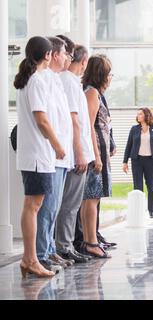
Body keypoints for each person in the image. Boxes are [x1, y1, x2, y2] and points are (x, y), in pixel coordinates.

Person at [14, 36, 62, 278]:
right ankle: (30, 259)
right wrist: (58, 146)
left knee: (33, 205)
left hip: (34, 154)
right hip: (37, 155)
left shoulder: (30, 80)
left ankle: (29, 258)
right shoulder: (36, 81)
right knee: (33, 206)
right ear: (47, 55)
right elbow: (41, 119)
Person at [36, 36, 75, 271]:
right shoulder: (43, 80)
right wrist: (58, 146)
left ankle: (49, 250)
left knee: (55, 206)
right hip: (52, 154)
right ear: (53, 55)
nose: (66, 57)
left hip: (62, 155)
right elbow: (46, 119)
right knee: (48, 207)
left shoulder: (57, 80)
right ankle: (42, 253)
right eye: (63, 53)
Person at [55, 44, 94, 263]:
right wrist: (80, 153)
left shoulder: (71, 82)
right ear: (84, 61)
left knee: (70, 204)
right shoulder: (69, 82)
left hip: (77, 151)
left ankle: (65, 245)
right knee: (69, 204)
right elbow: (74, 121)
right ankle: (64, 246)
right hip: (76, 153)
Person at [79, 54, 113, 258]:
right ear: (102, 74)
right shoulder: (91, 94)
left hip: (99, 152)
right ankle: (90, 242)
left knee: (91, 198)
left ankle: (90, 240)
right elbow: (89, 126)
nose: (110, 78)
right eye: (109, 74)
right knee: (91, 198)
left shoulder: (94, 93)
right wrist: (96, 156)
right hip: (95, 154)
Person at [123, 107, 153, 218]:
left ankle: (151, 210)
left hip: (150, 161)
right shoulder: (134, 129)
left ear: (146, 115)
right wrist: (125, 162)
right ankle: (138, 211)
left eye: (140, 114)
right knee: (138, 187)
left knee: (151, 186)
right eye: (137, 114)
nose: (138, 116)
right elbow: (129, 145)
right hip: (136, 160)